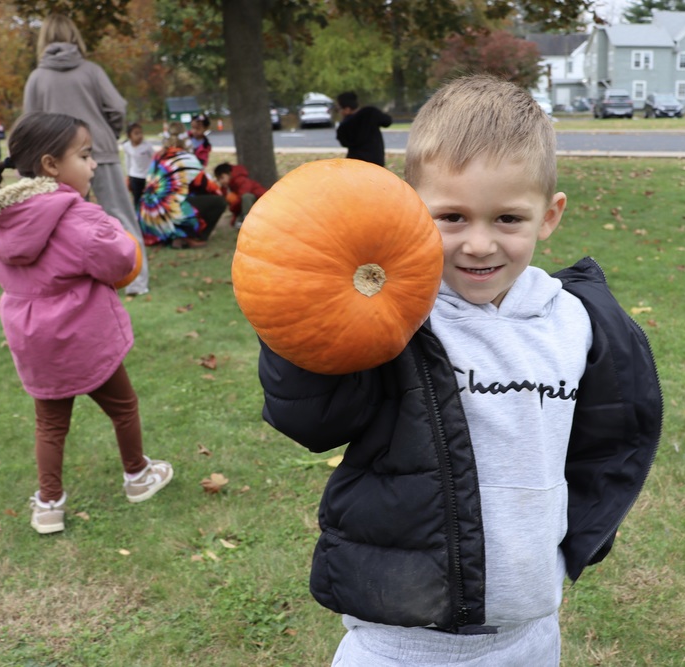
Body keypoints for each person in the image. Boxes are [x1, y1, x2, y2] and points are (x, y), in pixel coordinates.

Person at [257, 74, 663, 665]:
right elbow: (314, 420)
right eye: (452, 217)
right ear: (408, 208)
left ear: (549, 216)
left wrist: (582, 537)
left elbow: (605, 441)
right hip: (398, 640)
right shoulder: (400, 321)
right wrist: (298, 319)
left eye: (508, 219)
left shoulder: (577, 323)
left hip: (529, 632)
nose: (479, 244)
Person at [0, 112, 173, 535]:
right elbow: (120, 261)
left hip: (34, 341)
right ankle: (137, 475)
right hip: (85, 337)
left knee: (51, 424)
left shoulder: (4, 218)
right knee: (123, 406)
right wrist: (111, 226)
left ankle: (49, 505)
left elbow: (5, 272)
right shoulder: (76, 217)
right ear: (51, 165)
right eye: (85, 155)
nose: (93, 165)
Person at [24, 13, 149, 296]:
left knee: (60, 218)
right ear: (74, 36)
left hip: (55, 160)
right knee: (120, 213)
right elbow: (117, 107)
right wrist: (106, 134)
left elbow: (30, 123)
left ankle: (70, 279)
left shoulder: (37, 78)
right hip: (99, 150)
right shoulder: (92, 71)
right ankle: (136, 282)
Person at [139, 122, 225, 249]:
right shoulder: (187, 158)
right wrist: (220, 191)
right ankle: (192, 237)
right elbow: (206, 185)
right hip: (169, 209)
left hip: (148, 212)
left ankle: (173, 236)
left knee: (181, 198)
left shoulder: (158, 156)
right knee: (219, 202)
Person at [335, 91, 392, 167]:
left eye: (338, 109)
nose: (339, 112)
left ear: (347, 109)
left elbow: (344, 142)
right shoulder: (370, 112)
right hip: (376, 160)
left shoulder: (345, 125)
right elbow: (387, 121)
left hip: (355, 162)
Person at [212, 162, 266, 228]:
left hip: (261, 202)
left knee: (246, 197)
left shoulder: (241, 180)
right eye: (218, 179)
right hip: (246, 207)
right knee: (237, 223)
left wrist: (232, 207)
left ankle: (248, 220)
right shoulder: (227, 188)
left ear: (229, 174)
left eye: (222, 178)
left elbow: (242, 197)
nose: (221, 181)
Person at [120, 122, 154, 213]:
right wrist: (128, 176)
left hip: (147, 176)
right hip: (134, 176)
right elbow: (127, 161)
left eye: (140, 133)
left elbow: (154, 159)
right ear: (130, 136)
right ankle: (137, 215)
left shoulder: (147, 146)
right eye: (136, 133)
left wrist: (153, 173)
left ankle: (148, 215)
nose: (139, 135)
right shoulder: (126, 146)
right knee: (137, 198)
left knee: (148, 198)